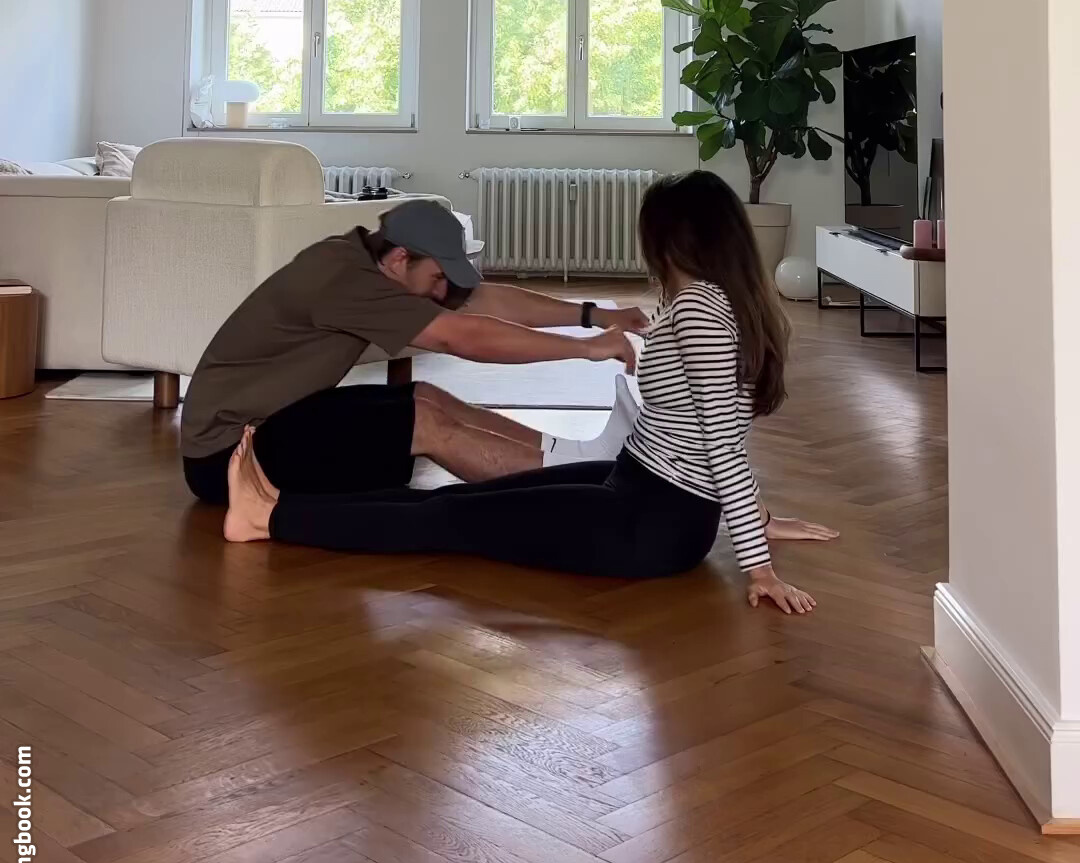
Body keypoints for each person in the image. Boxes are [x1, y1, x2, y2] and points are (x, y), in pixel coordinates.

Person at [221, 172, 838, 613]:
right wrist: (760, 518)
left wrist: (758, 564)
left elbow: (722, 444)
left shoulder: (701, 311)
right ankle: (278, 502)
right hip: (633, 486)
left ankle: (268, 518)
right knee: (452, 501)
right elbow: (708, 431)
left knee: (448, 519)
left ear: (675, 241)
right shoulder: (707, 303)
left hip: (651, 525)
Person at [182, 197, 644, 507]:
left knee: (425, 397)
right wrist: (584, 350)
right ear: (401, 257)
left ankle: (575, 456)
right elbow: (461, 337)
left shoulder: (369, 261)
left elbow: (485, 300)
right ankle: (577, 491)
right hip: (229, 458)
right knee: (423, 423)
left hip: (276, 420)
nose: (442, 291)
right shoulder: (346, 281)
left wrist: (595, 315)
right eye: (438, 277)